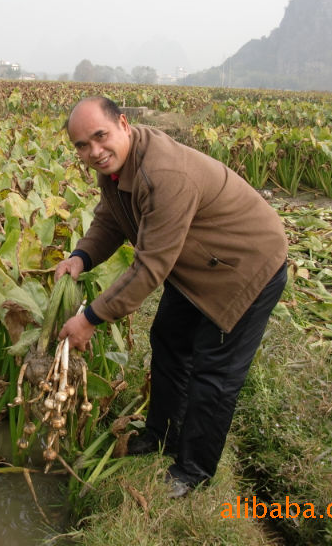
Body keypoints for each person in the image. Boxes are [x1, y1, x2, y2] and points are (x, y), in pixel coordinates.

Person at [55, 96, 288, 498]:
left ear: (123, 124)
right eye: (81, 145)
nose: (93, 151)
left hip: (247, 265)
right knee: (168, 337)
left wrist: (90, 318)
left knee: (214, 370)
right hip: (200, 262)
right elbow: (111, 218)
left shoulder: (163, 174)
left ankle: (193, 471)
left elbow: (149, 268)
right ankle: (162, 434)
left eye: (100, 136)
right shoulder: (118, 167)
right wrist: (82, 256)